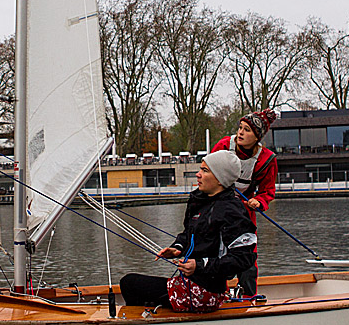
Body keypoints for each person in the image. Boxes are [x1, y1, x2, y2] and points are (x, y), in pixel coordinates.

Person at [119, 150, 257, 313]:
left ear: (220, 179)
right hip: (190, 284)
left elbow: (244, 258)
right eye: (200, 169)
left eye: (205, 171)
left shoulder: (231, 210)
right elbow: (188, 235)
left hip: (205, 293)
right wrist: (177, 248)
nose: (198, 175)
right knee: (132, 285)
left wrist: (199, 266)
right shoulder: (201, 202)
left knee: (129, 284)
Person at [210, 109, 278, 297]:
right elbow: (207, 171)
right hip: (217, 208)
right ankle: (217, 296)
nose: (240, 133)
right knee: (216, 254)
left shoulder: (267, 159)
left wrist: (259, 201)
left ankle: (249, 299)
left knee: (247, 257)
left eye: (247, 130)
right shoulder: (224, 145)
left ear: (257, 137)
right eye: (240, 128)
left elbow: (268, 191)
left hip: (244, 213)